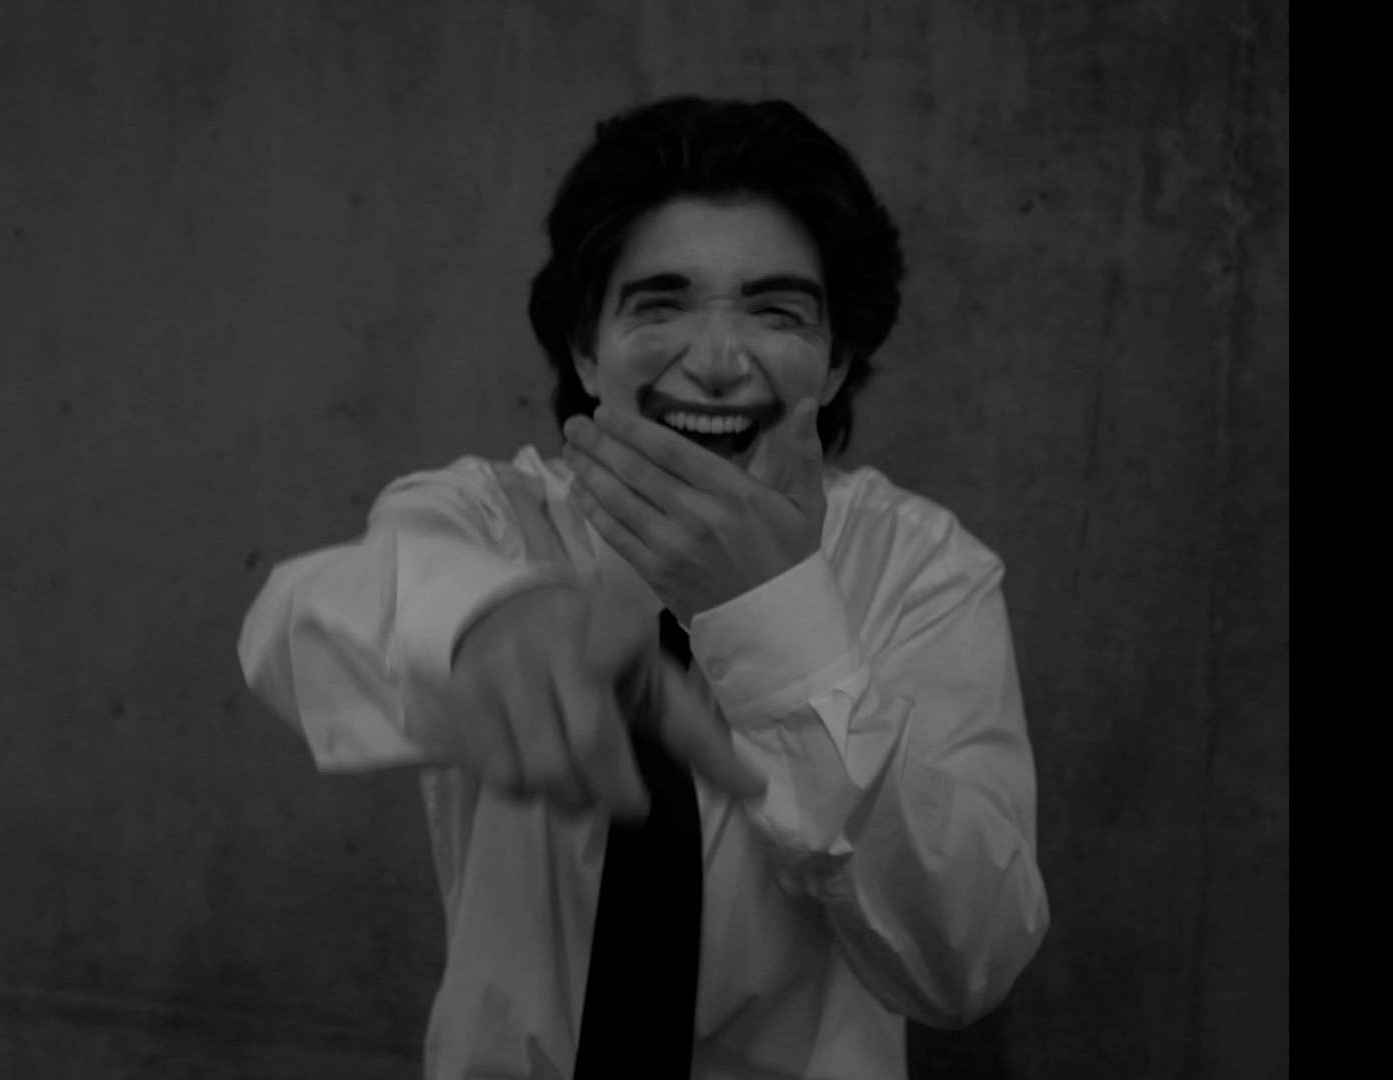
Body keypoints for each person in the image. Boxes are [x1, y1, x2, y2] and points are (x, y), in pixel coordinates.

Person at [238, 96, 1049, 1080]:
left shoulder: (923, 569)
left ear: (835, 363)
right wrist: (487, 621)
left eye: (776, 311)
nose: (716, 362)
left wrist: (777, 621)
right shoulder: (500, 521)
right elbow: (295, 623)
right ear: (588, 350)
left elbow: (969, 959)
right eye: (660, 306)